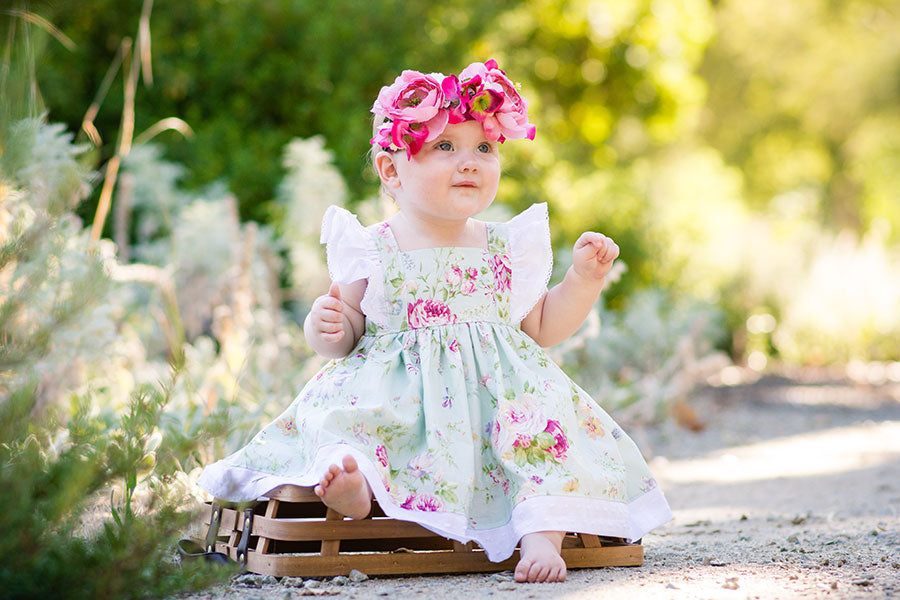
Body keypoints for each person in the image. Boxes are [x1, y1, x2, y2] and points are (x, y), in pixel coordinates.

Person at [198, 59, 672, 583]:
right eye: (445, 147)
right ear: (391, 171)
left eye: (484, 149)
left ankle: (541, 534)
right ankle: (355, 494)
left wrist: (583, 280)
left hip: (500, 400)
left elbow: (540, 328)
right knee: (355, 427)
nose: (469, 162)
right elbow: (348, 329)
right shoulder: (374, 248)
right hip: (402, 397)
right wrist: (326, 327)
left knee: (545, 436)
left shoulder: (504, 247)